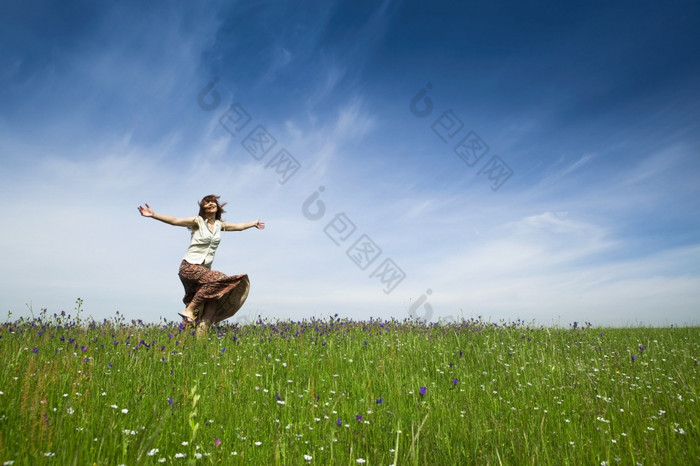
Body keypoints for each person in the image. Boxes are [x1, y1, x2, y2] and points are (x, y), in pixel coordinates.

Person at [137, 195, 265, 331]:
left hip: (204, 271)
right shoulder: (197, 221)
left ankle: (196, 339)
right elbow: (175, 221)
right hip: (189, 267)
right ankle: (190, 309)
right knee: (219, 278)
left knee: (211, 303)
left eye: (213, 202)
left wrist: (253, 223)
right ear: (202, 207)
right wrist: (154, 215)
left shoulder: (219, 225)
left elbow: (238, 227)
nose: (211, 204)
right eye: (207, 202)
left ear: (217, 206)